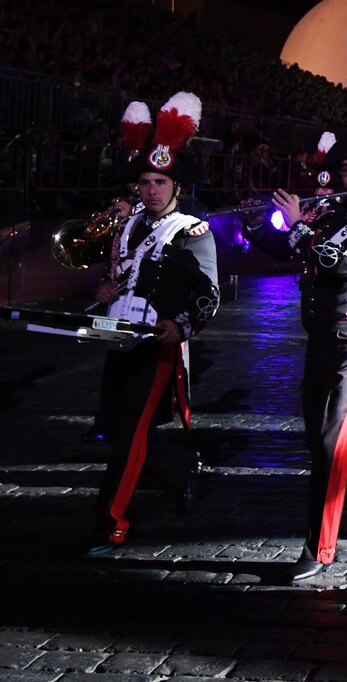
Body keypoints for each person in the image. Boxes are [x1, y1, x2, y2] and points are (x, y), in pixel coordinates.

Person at [243, 60, 347, 581]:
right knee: (316, 441)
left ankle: (319, 549)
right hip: (320, 337)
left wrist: (297, 230)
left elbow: (339, 260)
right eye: (346, 169)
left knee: (333, 442)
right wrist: (259, 224)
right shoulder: (328, 212)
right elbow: (286, 249)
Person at [83, 92, 219, 556]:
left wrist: (182, 324)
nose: (151, 190)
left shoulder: (191, 230)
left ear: (175, 186)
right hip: (118, 338)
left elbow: (210, 294)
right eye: (144, 181)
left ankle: (113, 523)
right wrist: (103, 290)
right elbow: (119, 273)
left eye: (160, 181)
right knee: (117, 430)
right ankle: (181, 471)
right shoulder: (128, 225)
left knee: (133, 434)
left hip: (158, 345)